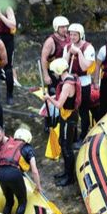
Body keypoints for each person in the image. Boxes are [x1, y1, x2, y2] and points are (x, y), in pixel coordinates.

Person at [0, 128, 43, 214]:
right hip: (13, 173)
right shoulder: (27, 148)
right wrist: (38, 186)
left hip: (0, 173)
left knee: (9, 202)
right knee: (22, 202)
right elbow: (34, 171)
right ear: (28, 139)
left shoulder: (8, 144)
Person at [44, 58, 81, 187]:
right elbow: (62, 98)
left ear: (59, 71)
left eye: (54, 72)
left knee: (67, 147)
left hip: (69, 117)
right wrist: (52, 97)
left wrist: (49, 98)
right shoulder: (68, 79)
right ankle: (66, 172)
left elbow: (59, 104)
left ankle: (70, 177)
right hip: (66, 115)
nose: (53, 74)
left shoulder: (66, 85)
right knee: (62, 142)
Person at [63, 23, 96, 141]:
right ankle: (72, 136)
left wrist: (79, 53)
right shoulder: (67, 47)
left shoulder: (88, 48)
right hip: (71, 83)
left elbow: (84, 67)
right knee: (72, 111)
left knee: (83, 110)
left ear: (80, 35)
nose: (72, 37)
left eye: (75, 35)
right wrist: (69, 52)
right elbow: (64, 65)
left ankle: (83, 135)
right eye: (70, 34)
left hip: (84, 83)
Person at [40, 16, 70, 94]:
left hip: (66, 72)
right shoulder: (50, 41)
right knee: (55, 95)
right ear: (56, 27)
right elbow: (43, 58)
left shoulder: (68, 37)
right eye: (62, 27)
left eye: (66, 27)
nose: (65, 29)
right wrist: (46, 75)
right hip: (54, 75)